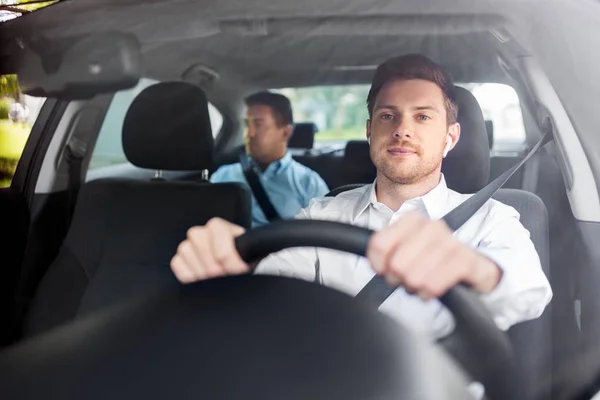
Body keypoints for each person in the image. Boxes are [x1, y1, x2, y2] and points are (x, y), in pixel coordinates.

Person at [172, 54, 552, 340]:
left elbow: (529, 292)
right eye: (388, 116)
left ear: (450, 138)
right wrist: (235, 277)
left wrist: (473, 268)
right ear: (370, 131)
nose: (402, 130)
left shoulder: (492, 218)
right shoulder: (321, 215)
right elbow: (278, 287)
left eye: (422, 117)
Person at [210, 91, 329, 227]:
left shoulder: (309, 184)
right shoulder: (222, 176)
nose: (250, 133)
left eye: (258, 124)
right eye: (247, 124)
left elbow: (324, 237)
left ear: (285, 132)